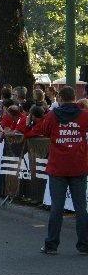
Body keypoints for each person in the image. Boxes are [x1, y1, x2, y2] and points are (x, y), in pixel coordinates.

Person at [39, 86, 88, 255]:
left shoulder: (53, 115)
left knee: (57, 207)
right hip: (78, 165)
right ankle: (84, 244)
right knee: (81, 207)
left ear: (60, 98)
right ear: (75, 97)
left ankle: (52, 244)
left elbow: (45, 131)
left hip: (58, 166)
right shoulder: (84, 115)